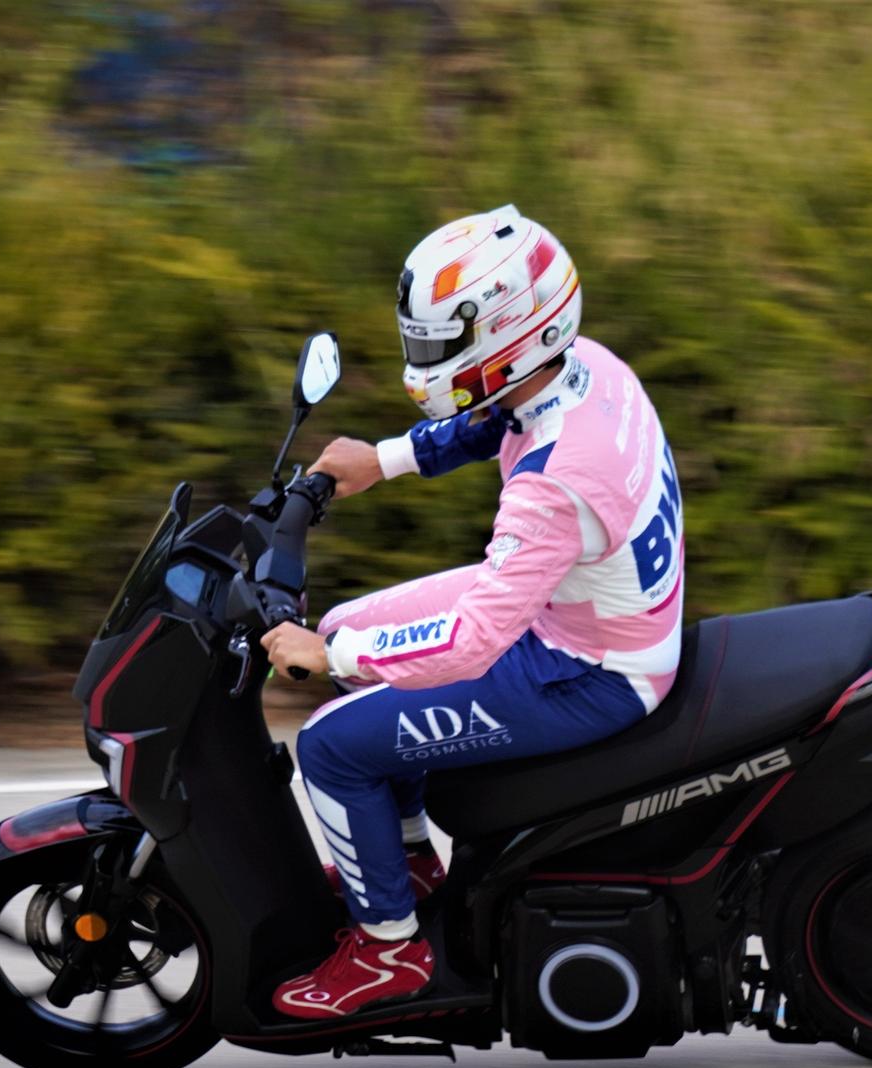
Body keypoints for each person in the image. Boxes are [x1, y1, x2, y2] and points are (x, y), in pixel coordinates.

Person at [259, 205, 685, 1019]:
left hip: (589, 671)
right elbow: (496, 420)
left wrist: (330, 661)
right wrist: (382, 461)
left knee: (328, 744)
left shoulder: (552, 486)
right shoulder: (581, 365)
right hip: (584, 613)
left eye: (438, 346)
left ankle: (390, 951)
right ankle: (411, 866)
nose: (423, 362)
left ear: (510, 335)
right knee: (351, 623)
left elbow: (470, 642)